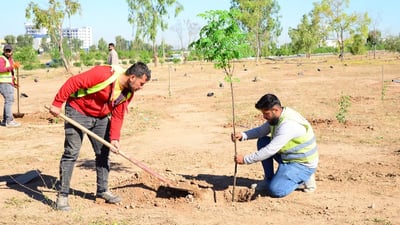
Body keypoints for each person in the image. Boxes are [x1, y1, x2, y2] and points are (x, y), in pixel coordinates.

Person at [49, 62, 151, 211]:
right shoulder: (103, 74)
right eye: (141, 83)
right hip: (78, 112)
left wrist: (115, 138)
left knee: (103, 152)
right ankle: (63, 196)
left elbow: (118, 114)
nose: (141, 88)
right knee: (71, 153)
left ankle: (102, 190)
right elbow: (74, 82)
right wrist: (57, 103)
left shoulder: (128, 92)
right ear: (132, 77)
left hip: (101, 118)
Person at [231, 93, 318, 198]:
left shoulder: (288, 125)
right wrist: (243, 135)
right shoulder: (278, 116)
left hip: (301, 164)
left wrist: (245, 160)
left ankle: (304, 178)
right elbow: (261, 131)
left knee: (276, 190)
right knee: (263, 141)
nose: (264, 117)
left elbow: (269, 150)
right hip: (288, 157)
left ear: (275, 110)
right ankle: (269, 180)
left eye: (266, 113)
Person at [0, 44, 21, 127]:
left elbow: (11, 73)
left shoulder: (10, 59)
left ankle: (5, 120)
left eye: (9, 51)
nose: (8, 53)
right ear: (4, 51)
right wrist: (12, 67)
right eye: (6, 51)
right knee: (9, 100)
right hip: (3, 83)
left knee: (8, 101)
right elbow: (1, 69)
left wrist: (14, 82)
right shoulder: (2, 59)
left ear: (12, 51)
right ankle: (9, 121)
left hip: (9, 83)